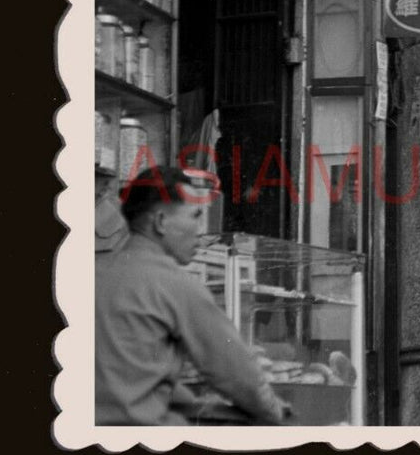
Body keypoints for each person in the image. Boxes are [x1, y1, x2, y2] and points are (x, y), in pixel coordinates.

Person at [96, 166, 291, 426]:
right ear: (161, 222)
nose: (200, 230)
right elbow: (239, 377)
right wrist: (281, 416)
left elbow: (129, 373)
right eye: (195, 216)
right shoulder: (175, 283)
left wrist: (193, 403)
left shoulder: (97, 272)